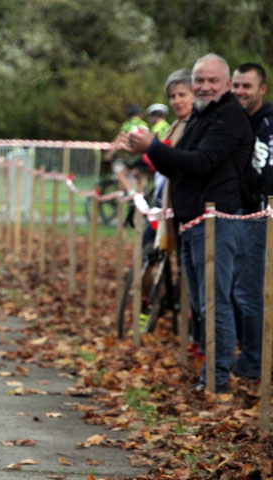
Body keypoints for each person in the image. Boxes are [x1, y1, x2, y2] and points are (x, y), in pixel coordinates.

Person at [128, 53, 253, 393]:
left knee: (215, 303)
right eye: (200, 80)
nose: (205, 86)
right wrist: (151, 152)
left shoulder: (229, 116)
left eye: (212, 80)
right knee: (199, 304)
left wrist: (153, 146)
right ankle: (209, 372)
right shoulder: (200, 116)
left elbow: (201, 162)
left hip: (216, 223)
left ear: (226, 84)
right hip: (188, 222)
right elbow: (179, 167)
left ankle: (218, 378)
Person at [230, 62, 273, 381]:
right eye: (236, 85)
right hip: (235, 214)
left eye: (246, 86)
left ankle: (254, 359)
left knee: (249, 290)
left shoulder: (268, 125)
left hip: (260, 216)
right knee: (237, 289)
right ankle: (251, 353)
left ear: (262, 89)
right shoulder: (232, 119)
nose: (240, 92)